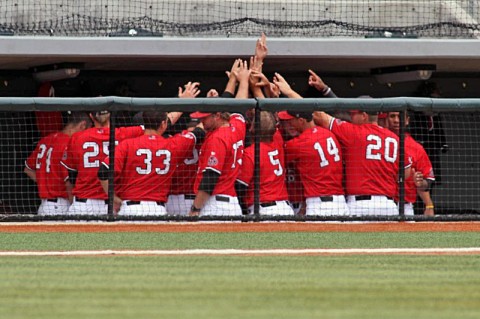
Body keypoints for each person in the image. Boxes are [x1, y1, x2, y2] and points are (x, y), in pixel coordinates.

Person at [273, 72, 411, 216]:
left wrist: (288, 92)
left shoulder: (353, 133)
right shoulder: (394, 138)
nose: (351, 115)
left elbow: (317, 114)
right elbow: (406, 172)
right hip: (388, 205)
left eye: (354, 113)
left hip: (360, 205)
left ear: (364, 115)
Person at [98, 111, 204, 216]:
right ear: (163, 124)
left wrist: (113, 198)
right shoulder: (172, 144)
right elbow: (198, 133)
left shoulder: (127, 144)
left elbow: (103, 171)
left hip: (130, 209)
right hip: (157, 210)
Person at [188, 62, 249, 216]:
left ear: (217, 116)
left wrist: (195, 209)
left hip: (214, 204)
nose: (202, 121)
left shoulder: (217, 138)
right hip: (231, 203)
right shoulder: (236, 126)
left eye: (205, 118)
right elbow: (240, 105)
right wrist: (241, 80)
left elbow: (210, 178)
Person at [277, 110, 349, 216]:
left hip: (319, 205)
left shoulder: (299, 143)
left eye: (290, 121)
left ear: (301, 121)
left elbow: (275, 153)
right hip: (340, 203)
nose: (288, 125)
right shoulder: (328, 133)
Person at [24, 112, 91, 215]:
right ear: (82, 125)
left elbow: (28, 169)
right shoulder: (69, 143)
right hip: (61, 205)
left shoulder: (45, 140)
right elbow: (68, 182)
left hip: (44, 206)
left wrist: (47, 183)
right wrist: (74, 205)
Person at [235, 111, 293, 216]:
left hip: (263, 210)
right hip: (286, 209)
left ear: (252, 129)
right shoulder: (278, 141)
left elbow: (240, 187)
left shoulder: (251, 153)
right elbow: (269, 125)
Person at [385, 111, 435, 216]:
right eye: (392, 116)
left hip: (405, 206)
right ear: (386, 119)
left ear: (407, 120)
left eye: (400, 117)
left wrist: (429, 204)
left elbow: (427, 181)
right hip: (383, 202)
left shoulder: (416, 148)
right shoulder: (379, 141)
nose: (396, 120)